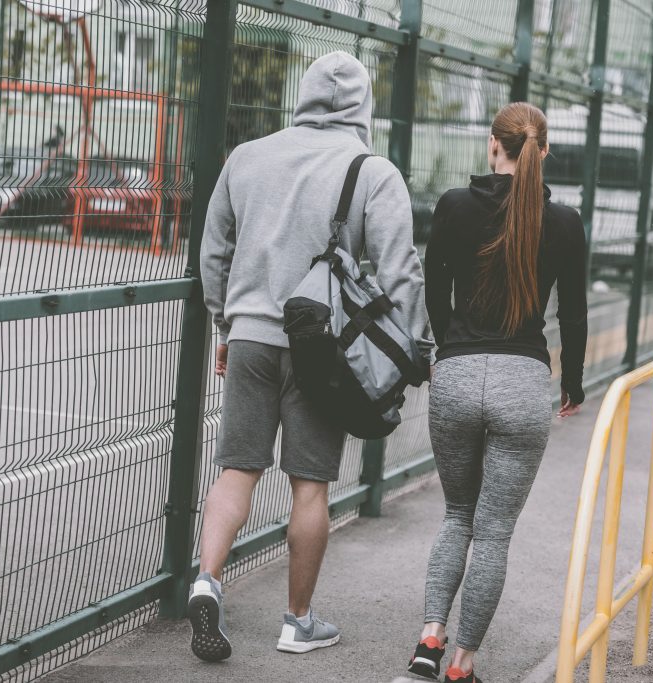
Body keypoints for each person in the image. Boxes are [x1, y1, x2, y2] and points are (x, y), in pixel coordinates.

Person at [189, 51, 432, 662]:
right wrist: (416, 348)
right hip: (323, 349)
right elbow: (400, 270)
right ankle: (297, 622)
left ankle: (206, 579)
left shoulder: (247, 157)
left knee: (236, 468)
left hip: (248, 336)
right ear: (363, 105)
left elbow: (213, 249)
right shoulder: (373, 171)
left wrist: (227, 320)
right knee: (310, 486)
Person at [406, 102, 588, 683]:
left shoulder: (454, 207)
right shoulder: (564, 221)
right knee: (493, 531)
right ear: (545, 152)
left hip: (458, 373)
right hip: (523, 382)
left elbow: (435, 291)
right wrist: (574, 383)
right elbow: (575, 314)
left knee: (457, 513)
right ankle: (462, 665)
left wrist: (445, 350)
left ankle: (429, 639)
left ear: (494, 145)